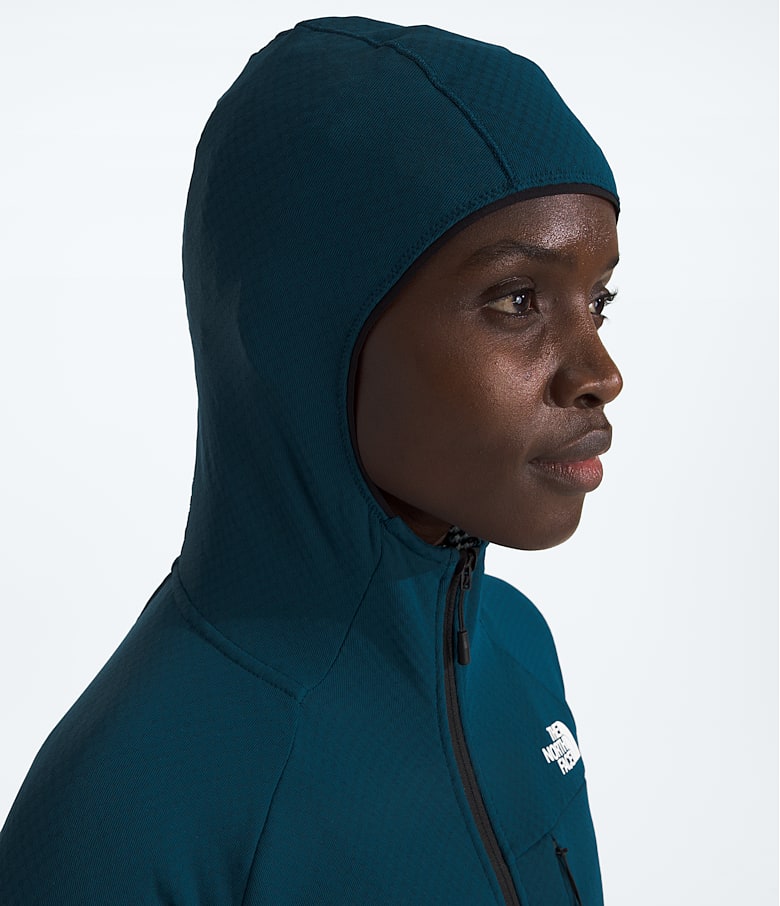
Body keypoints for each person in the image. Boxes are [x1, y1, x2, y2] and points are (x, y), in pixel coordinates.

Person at [0, 15, 622, 904]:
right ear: (299, 337)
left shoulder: (518, 650)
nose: (601, 374)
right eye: (517, 299)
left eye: (599, 300)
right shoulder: (124, 809)